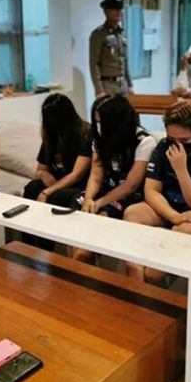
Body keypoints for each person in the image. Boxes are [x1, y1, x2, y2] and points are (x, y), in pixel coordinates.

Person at [124, 101, 191, 284]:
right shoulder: (163, 146)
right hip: (169, 208)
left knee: (155, 270)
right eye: (172, 139)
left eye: (184, 141)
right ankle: (135, 287)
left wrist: (181, 169)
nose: (177, 146)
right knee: (133, 212)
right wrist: (174, 216)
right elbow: (151, 190)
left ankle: (151, 282)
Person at [69, 95, 157, 262]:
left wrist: (99, 202)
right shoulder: (99, 138)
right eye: (96, 121)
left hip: (129, 196)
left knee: (101, 219)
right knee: (78, 208)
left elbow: (131, 185)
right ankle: (76, 267)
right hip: (105, 189)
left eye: (101, 122)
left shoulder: (144, 141)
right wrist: (89, 198)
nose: (98, 126)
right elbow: (96, 175)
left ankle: (79, 263)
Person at [23, 94, 92, 251]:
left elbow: (77, 174)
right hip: (57, 183)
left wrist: (47, 191)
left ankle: (45, 249)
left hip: (79, 186)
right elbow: (40, 170)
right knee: (31, 188)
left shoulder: (85, 133)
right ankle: (26, 245)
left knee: (55, 196)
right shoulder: (50, 135)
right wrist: (44, 175)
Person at [89, 0, 133, 99]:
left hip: (123, 85)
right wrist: (99, 90)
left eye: (120, 9)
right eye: (114, 9)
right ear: (106, 11)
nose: (118, 12)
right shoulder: (98, 34)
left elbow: (125, 60)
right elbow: (94, 63)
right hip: (108, 86)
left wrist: (130, 84)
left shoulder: (122, 33)